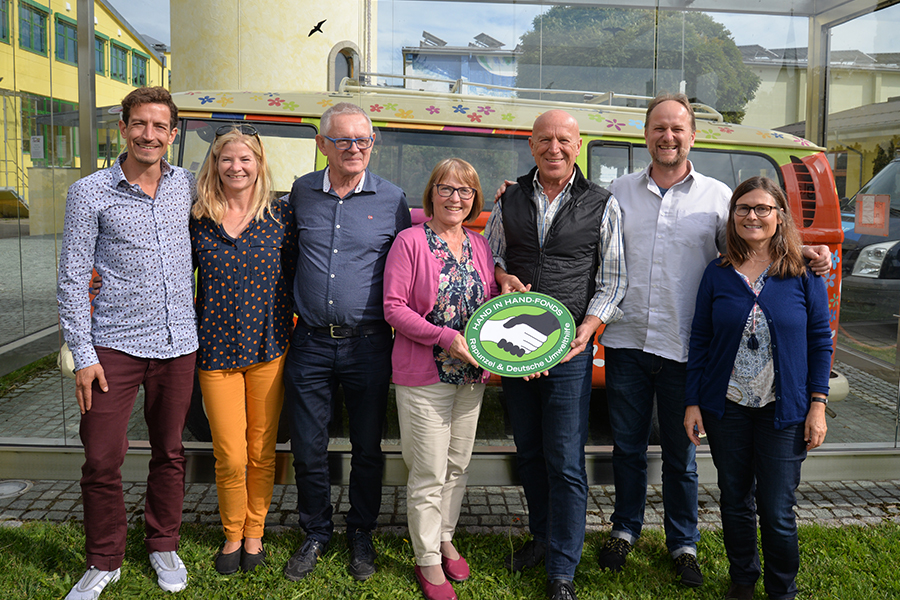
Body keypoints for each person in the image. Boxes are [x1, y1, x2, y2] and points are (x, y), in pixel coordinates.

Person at [597, 93, 831, 588]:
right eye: (659, 128)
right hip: (626, 342)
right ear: (645, 135)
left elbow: (754, 239)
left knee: (681, 455)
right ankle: (625, 529)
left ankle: (684, 542)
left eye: (677, 129)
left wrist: (804, 249)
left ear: (692, 136)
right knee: (627, 447)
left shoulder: (719, 196)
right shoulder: (616, 192)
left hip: (686, 348)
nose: (668, 137)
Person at [57, 87, 196, 599]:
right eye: (140, 124)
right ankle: (104, 558)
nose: (149, 135)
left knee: (171, 452)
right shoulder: (89, 192)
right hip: (112, 347)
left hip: (179, 342)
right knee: (100, 457)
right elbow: (72, 279)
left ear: (173, 134)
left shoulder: (186, 185)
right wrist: (82, 356)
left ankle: (162, 543)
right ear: (123, 127)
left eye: (160, 127)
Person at [484, 109, 626, 600]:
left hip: (568, 351)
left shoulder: (601, 203)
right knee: (529, 452)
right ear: (530, 144)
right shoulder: (510, 198)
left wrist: (590, 326)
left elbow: (612, 279)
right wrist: (501, 277)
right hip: (515, 347)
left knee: (564, 459)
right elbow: (493, 255)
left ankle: (563, 567)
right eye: (544, 139)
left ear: (578, 144)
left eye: (563, 139)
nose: (554, 147)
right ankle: (541, 540)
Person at [684, 176, 831, 600]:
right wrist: (693, 401)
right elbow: (700, 339)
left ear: (779, 215)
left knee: (777, 511)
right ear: (732, 217)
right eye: (744, 208)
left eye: (763, 208)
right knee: (734, 500)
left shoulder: (803, 271)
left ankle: (782, 590)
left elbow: (821, 340)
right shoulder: (718, 273)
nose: (753, 216)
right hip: (726, 408)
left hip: (783, 411)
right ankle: (743, 581)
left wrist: (817, 405)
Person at [282, 102, 412, 582]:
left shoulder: (393, 198)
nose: (355, 148)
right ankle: (316, 531)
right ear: (323, 145)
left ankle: (362, 531)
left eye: (363, 140)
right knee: (308, 446)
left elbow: (409, 266)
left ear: (372, 143)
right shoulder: (301, 193)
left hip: (370, 345)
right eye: (343, 140)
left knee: (368, 447)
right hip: (311, 343)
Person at [384, 159, 498, 600]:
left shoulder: (480, 244)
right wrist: (445, 337)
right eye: (446, 189)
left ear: (475, 200)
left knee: (457, 464)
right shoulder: (409, 242)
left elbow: (487, 302)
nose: (455, 198)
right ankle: (427, 557)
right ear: (431, 193)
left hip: (471, 374)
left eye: (465, 191)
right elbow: (393, 307)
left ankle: (445, 535)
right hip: (423, 373)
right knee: (429, 469)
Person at [191, 125, 298, 574]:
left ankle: (253, 534)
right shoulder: (196, 216)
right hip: (214, 351)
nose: (236, 167)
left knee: (262, 450)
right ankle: (231, 532)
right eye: (226, 159)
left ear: (259, 163)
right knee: (230, 454)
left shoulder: (281, 216)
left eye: (245, 159)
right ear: (214, 164)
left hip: (269, 347)